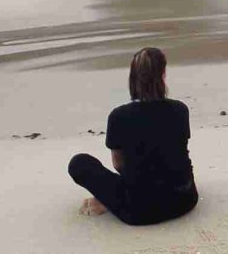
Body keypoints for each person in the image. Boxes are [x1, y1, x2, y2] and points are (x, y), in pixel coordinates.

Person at [68, 47, 199, 225]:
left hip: (140, 211)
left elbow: (118, 164)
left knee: (79, 163)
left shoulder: (119, 116)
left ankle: (110, 200)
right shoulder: (180, 109)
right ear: (163, 75)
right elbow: (177, 151)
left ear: (132, 78)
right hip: (186, 199)